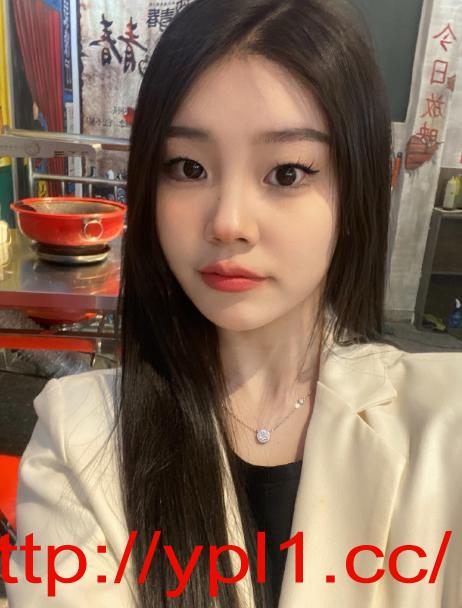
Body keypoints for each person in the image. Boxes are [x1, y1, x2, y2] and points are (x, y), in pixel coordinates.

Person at [5, 0, 462, 606]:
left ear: (355, 191)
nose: (228, 223)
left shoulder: (444, 421)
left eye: (287, 173)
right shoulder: (78, 436)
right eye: (189, 168)